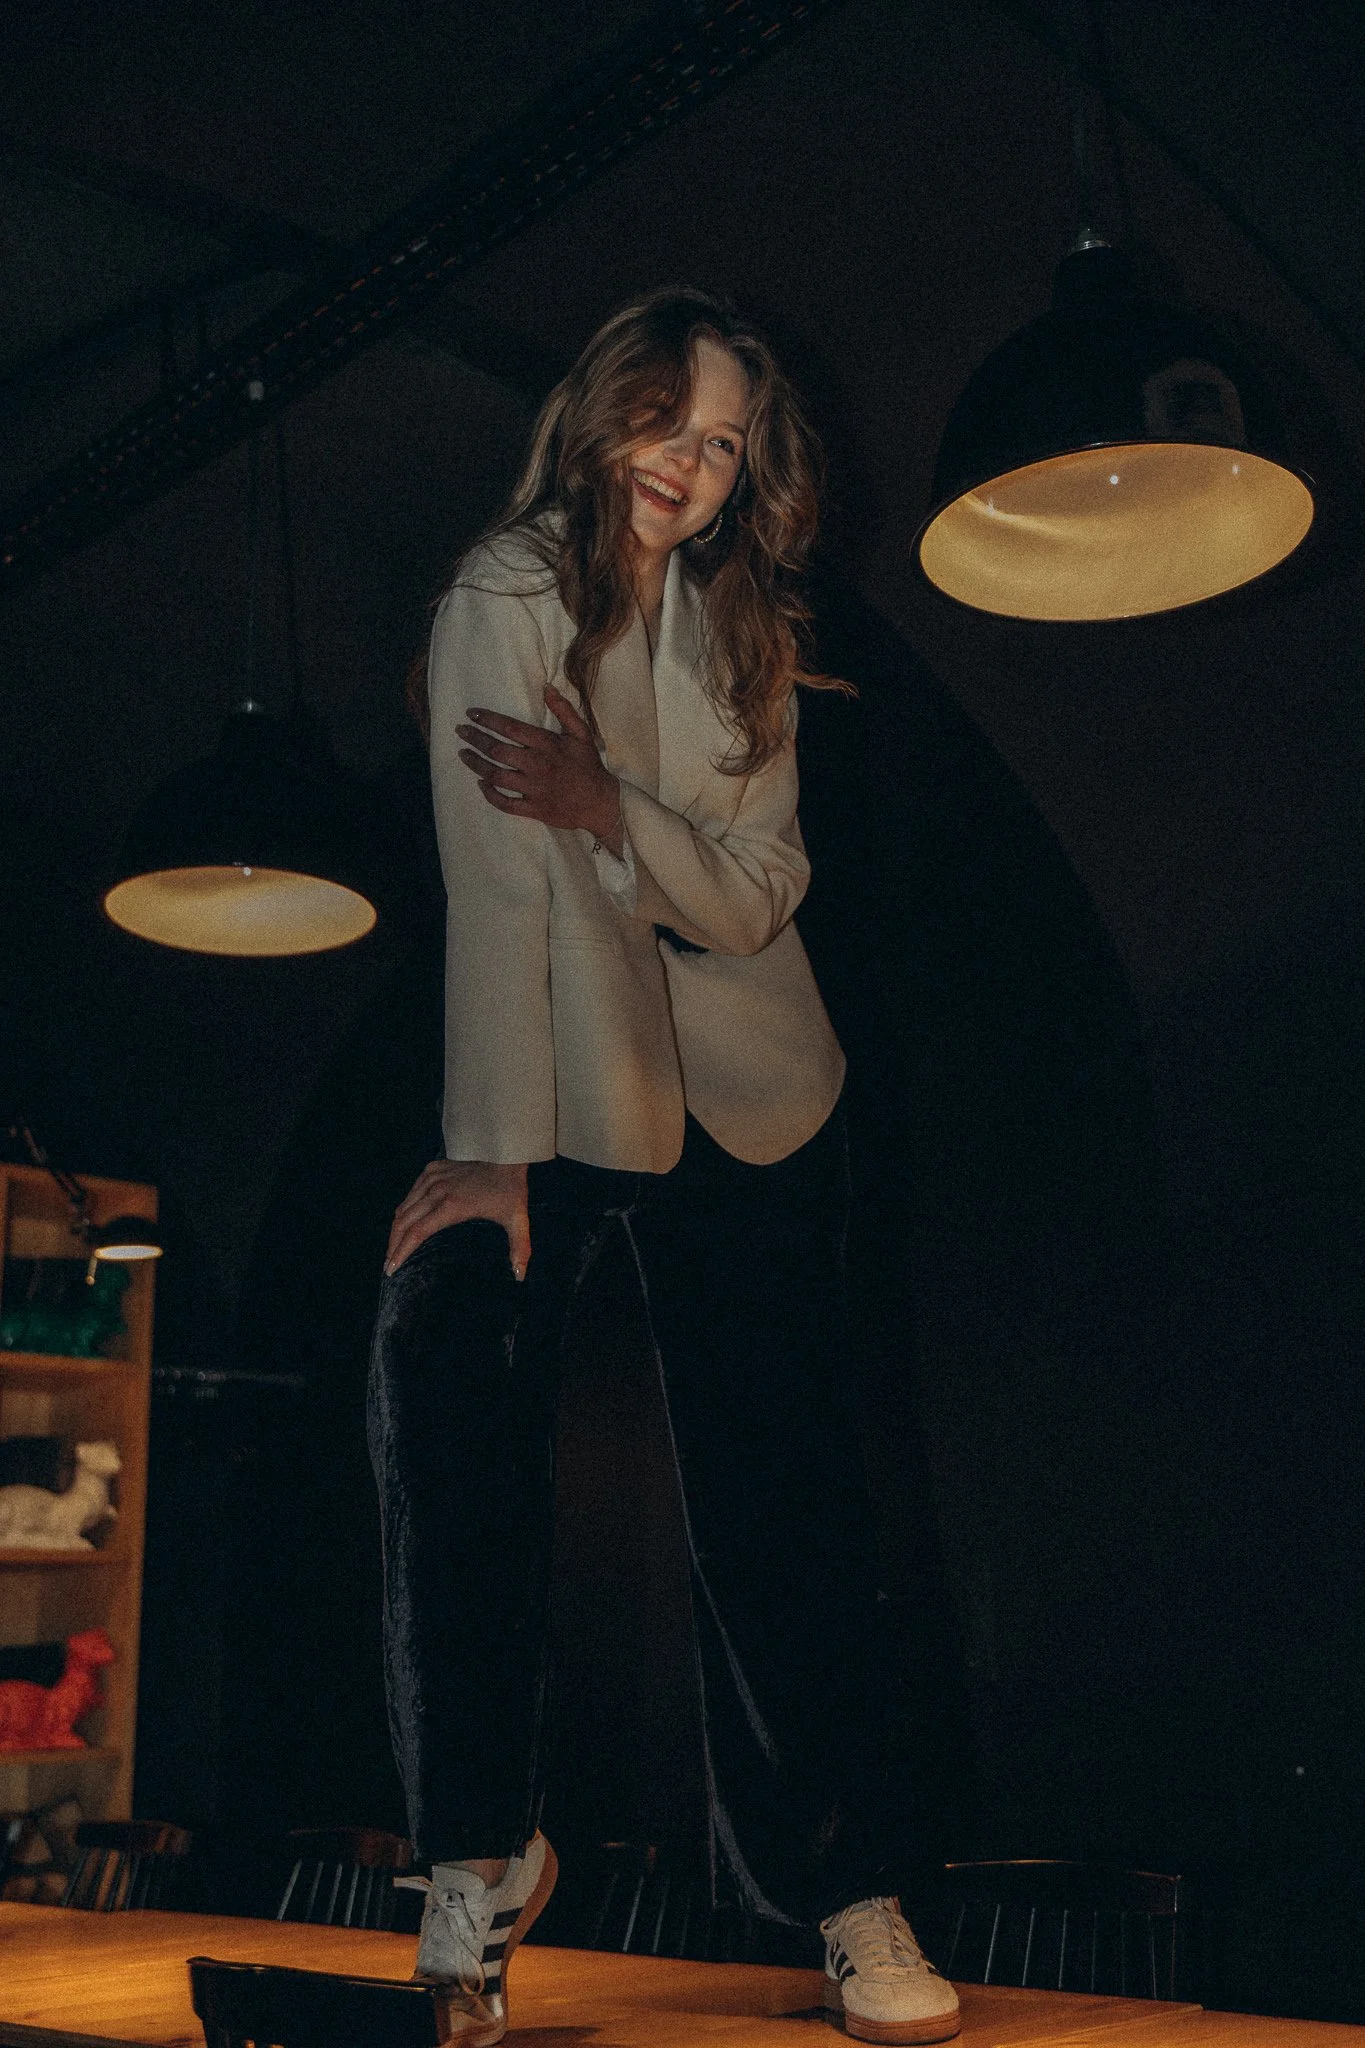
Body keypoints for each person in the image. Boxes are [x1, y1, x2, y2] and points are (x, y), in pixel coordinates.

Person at [367, 289, 960, 2048]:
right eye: (667, 423)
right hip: (567, 1080)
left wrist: (616, 805)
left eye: (724, 444)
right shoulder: (506, 593)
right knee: (437, 1358)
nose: (690, 469)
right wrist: (498, 1159)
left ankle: (848, 1897)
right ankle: (478, 1863)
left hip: (768, 1098)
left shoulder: (752, 628)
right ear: (596, 414)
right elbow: (501, 891)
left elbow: (762, 891)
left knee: (787, 1493)